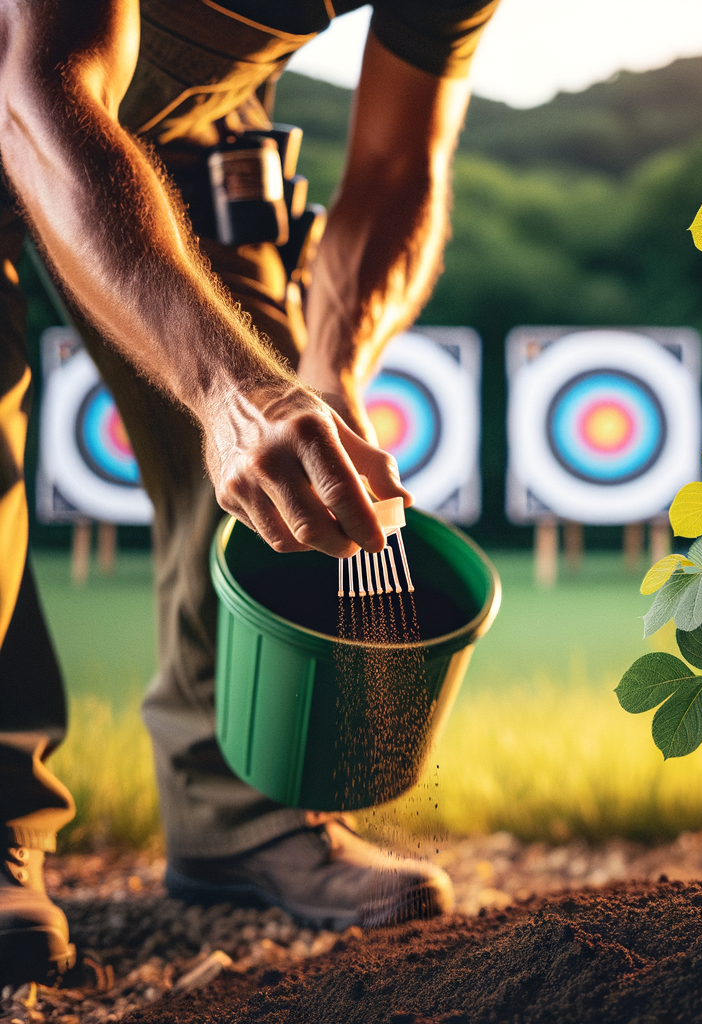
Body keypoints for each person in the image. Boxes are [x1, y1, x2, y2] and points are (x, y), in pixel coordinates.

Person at [0, 0, 499, 985]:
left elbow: (397, 166)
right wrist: (227, 392)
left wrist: (330, 367)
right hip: (33, 82)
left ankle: (243, 816)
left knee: (273, 399)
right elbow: (35, 93)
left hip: (182, 126)